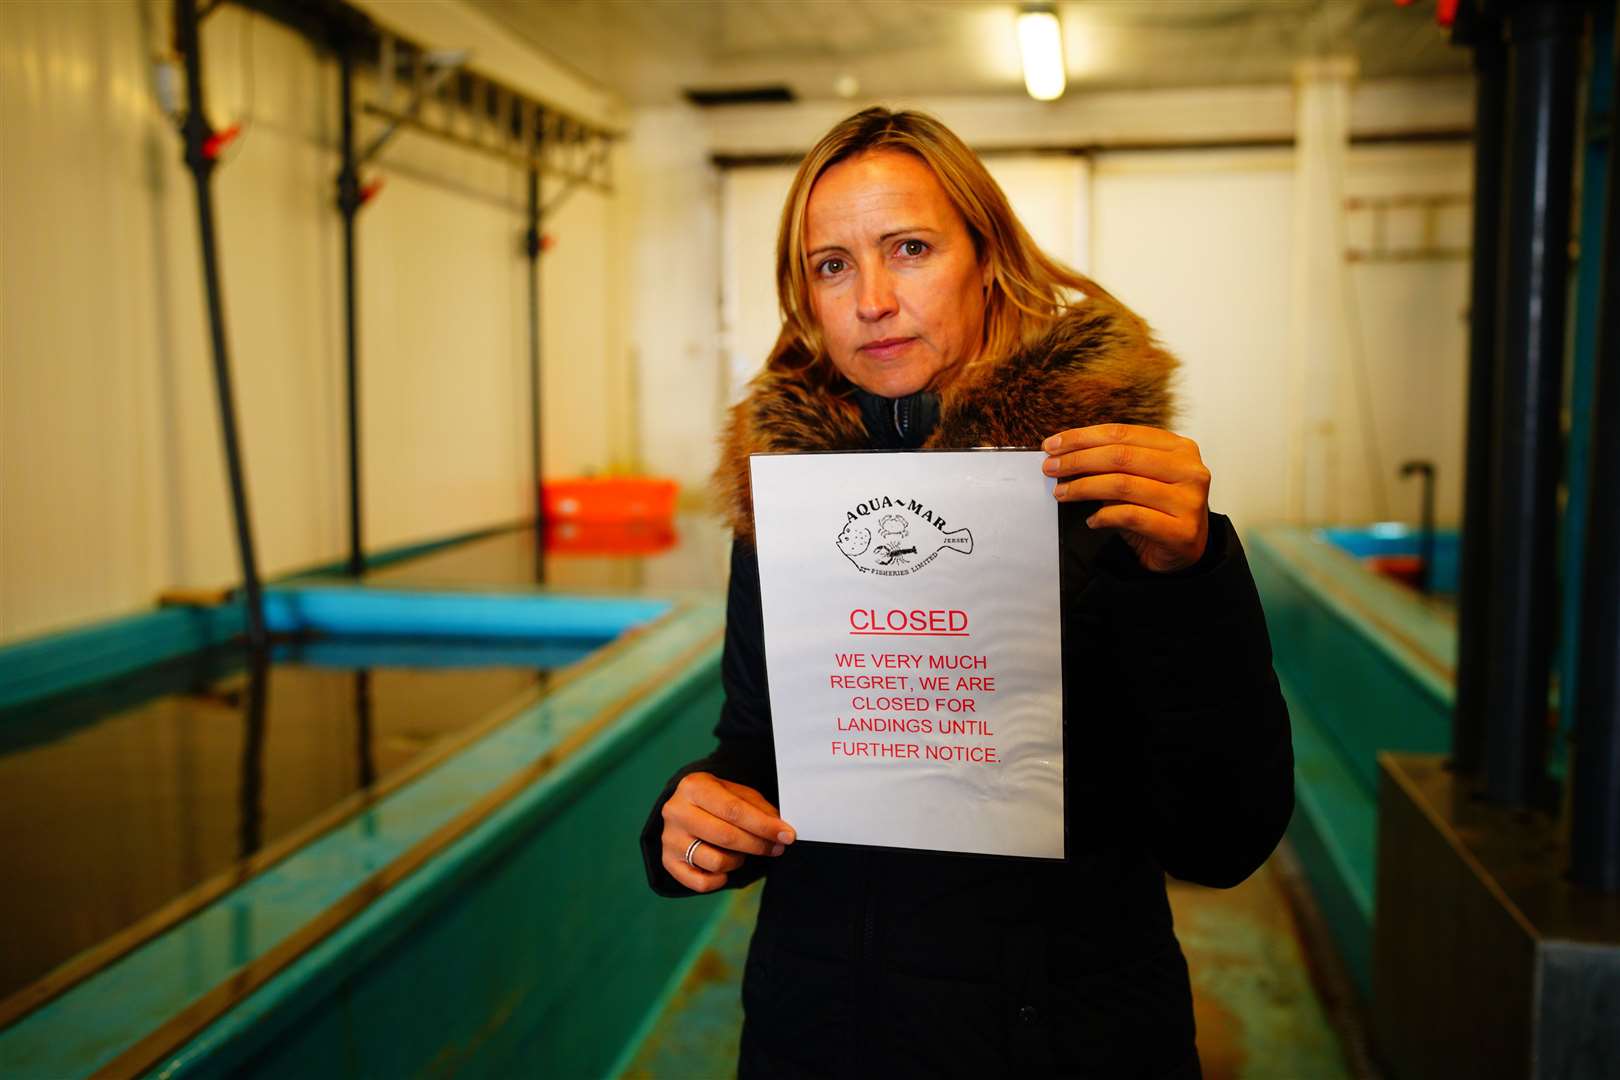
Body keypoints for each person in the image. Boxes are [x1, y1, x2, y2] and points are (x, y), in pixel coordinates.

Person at [639, 107, 1293, 1078]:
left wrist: (1191, 577)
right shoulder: (788, 498)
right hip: (823, 1027)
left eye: (909, 249)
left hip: (1064, 1034)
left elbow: (1221, 835)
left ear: (986, 261)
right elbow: (759, 748)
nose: (871, 300)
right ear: (804, 296)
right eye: (831, 265)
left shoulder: (1102, 490)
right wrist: (688, 821)